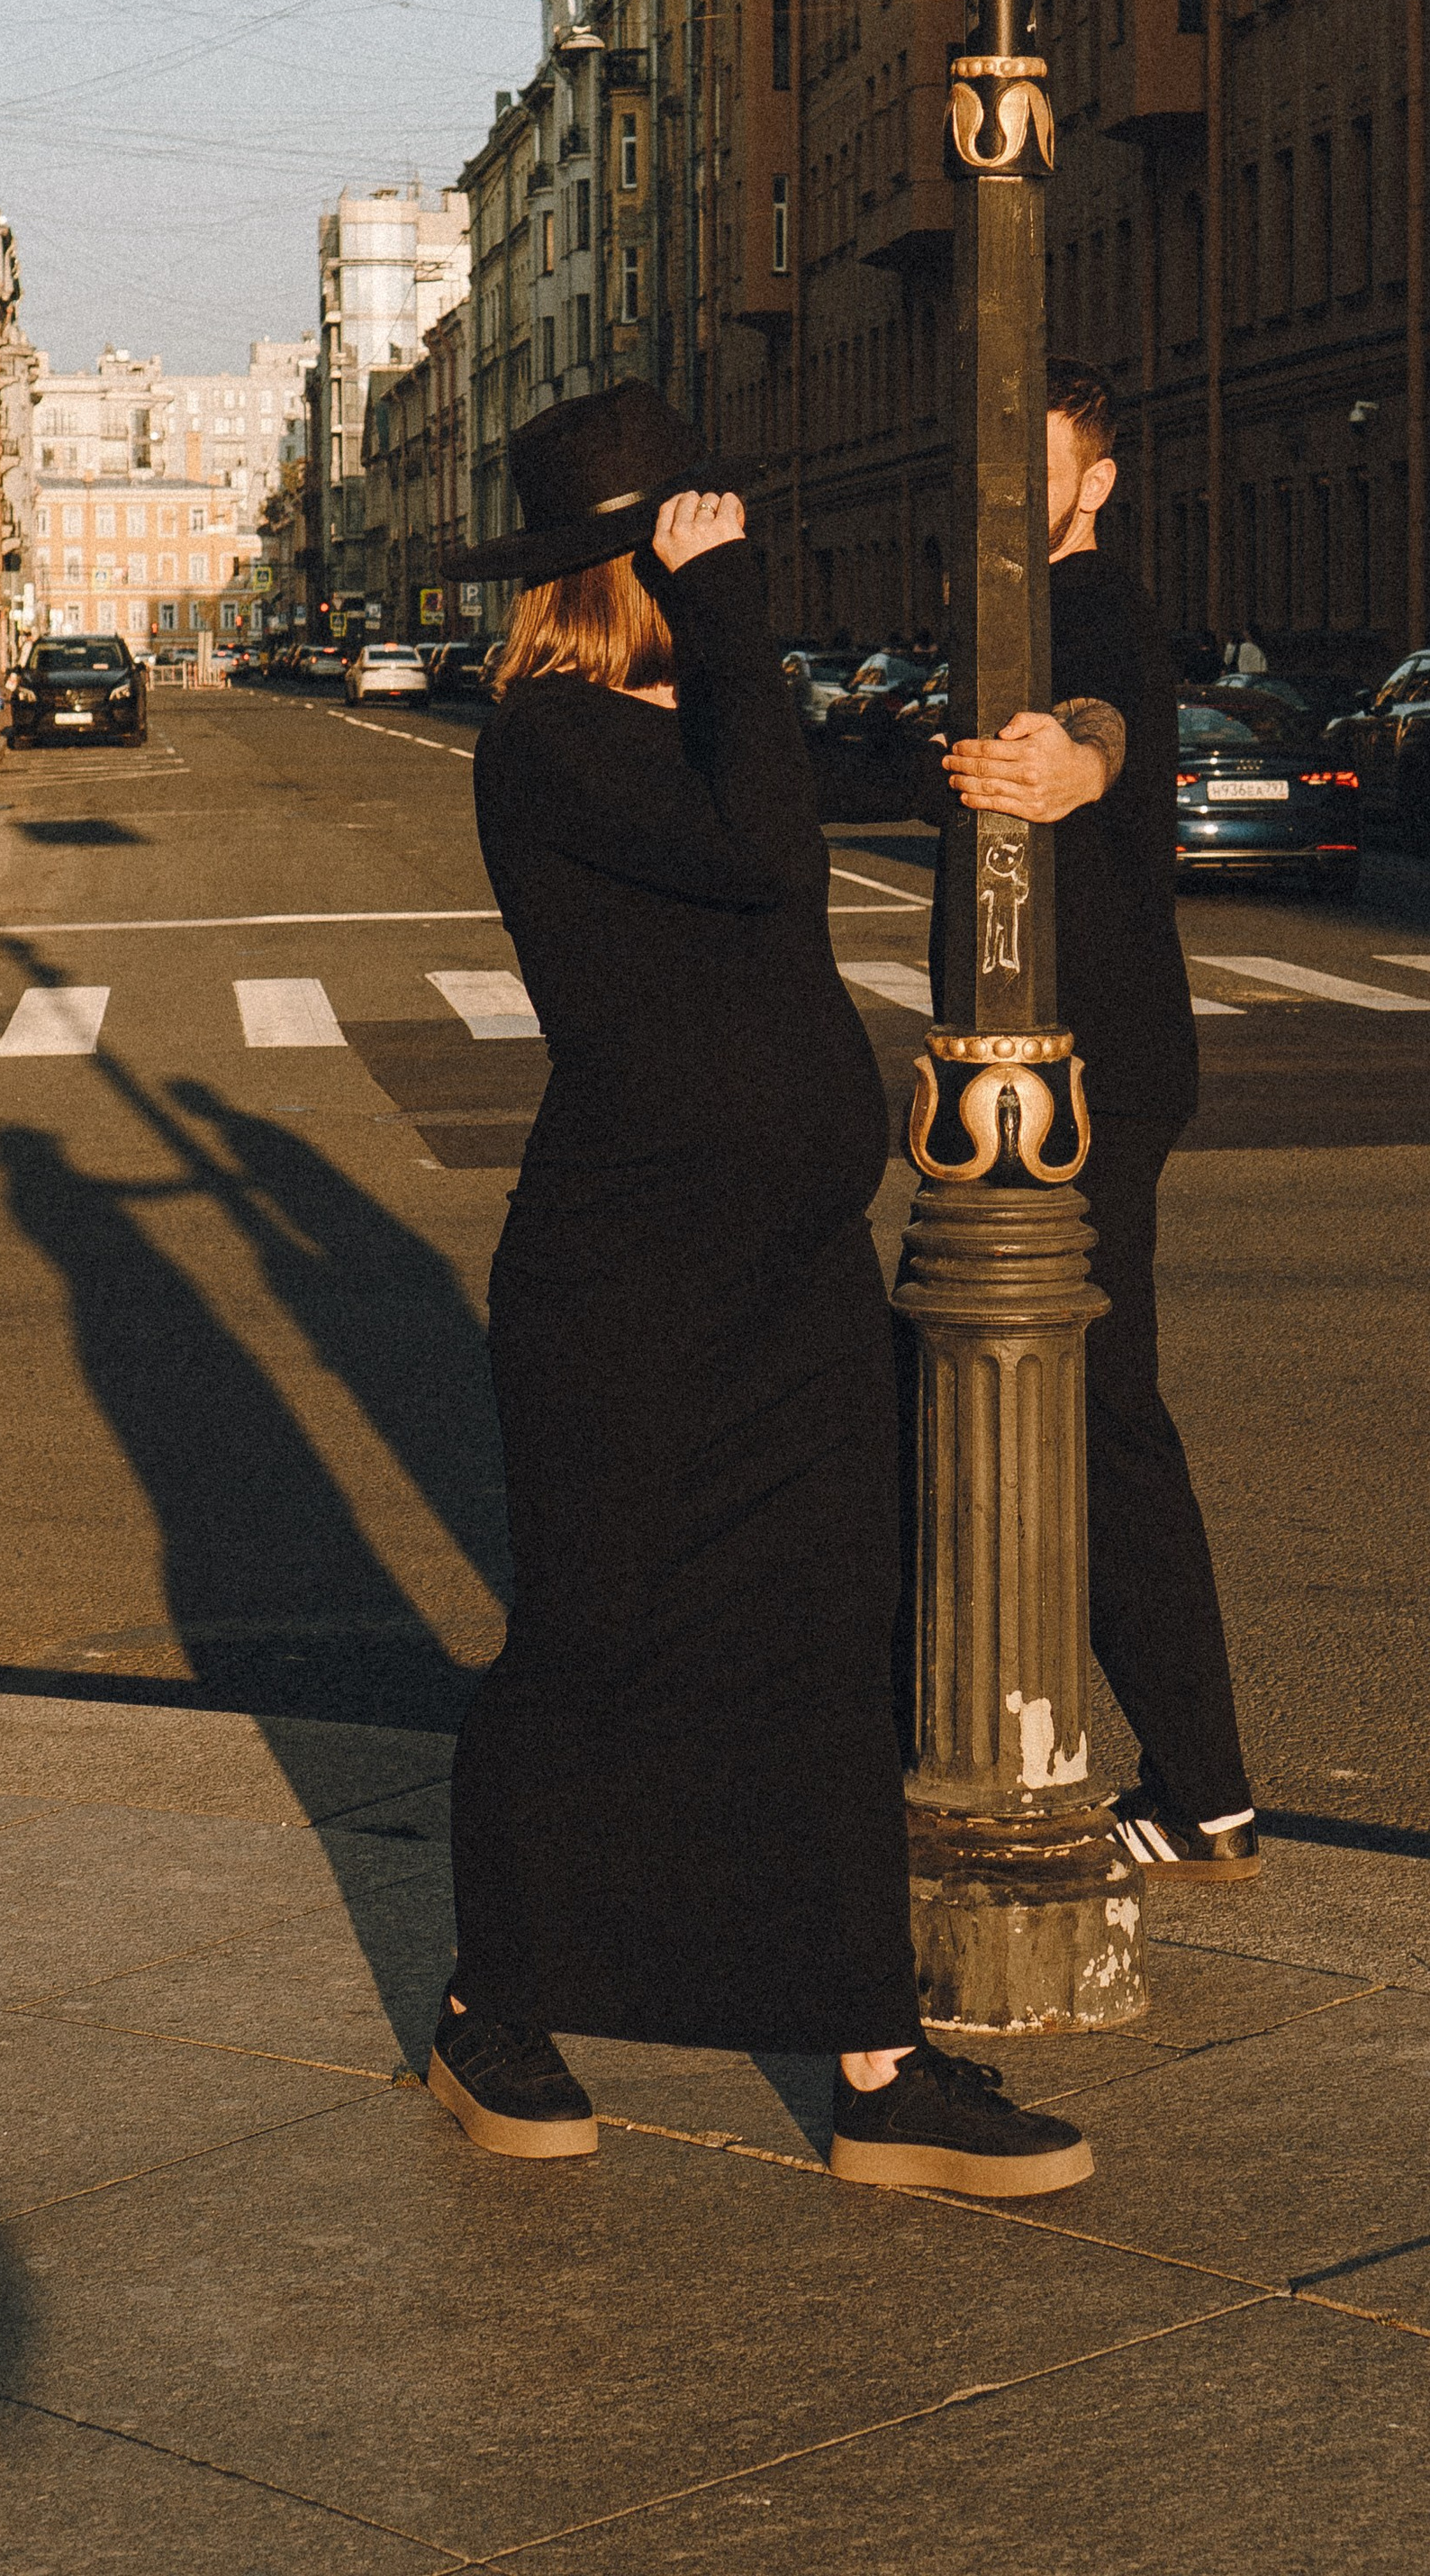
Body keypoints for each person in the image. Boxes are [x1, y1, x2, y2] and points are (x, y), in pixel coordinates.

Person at [431, 383, 1092, 2198]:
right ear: (639, 566)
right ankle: (497, 1998)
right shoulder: (549, 736)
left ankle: (876, 2065)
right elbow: (756, 853)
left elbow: (794, 826)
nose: (739, 562)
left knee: (818, 1649)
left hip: (786, 1275)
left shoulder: (705, 713)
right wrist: (732, 626)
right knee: (590, 1639)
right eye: (705, 542)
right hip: (624, 1284)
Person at [828, 358, 1259, 1884]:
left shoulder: (1094, 609)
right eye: (991, 472)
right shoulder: (985, 615)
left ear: (1095, 485)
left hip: (1090, 1070)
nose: (1013, 494)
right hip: (1026, 1072)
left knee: (1096, 1414)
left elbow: (1107, 712)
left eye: (1043, 468)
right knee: (1014, 1391)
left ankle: (1201, 1783)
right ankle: (1148, 1770)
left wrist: (1078, 761)